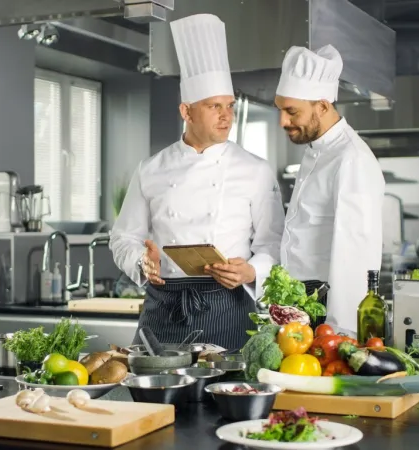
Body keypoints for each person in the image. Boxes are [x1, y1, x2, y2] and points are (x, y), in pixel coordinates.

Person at [109, 14, 285, 350]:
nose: (226, 116)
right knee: (154, 396)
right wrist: (141, 262)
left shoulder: (255, 170)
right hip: (163, 306)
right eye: (214, 106)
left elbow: (274, 242)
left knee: (223, 396)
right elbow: (123, 237)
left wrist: (250, 271)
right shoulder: (151, 169)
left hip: (228, 305)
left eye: (230, 106)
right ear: (186, 112)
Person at [274, 45, 386, 333]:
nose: (283, 121)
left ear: (322, 106)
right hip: (302, 305)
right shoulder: (316, 150)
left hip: (328, 314)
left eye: (291, 111)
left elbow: (356, 253)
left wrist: (341, 333)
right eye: (280, 109)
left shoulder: (352, 159)